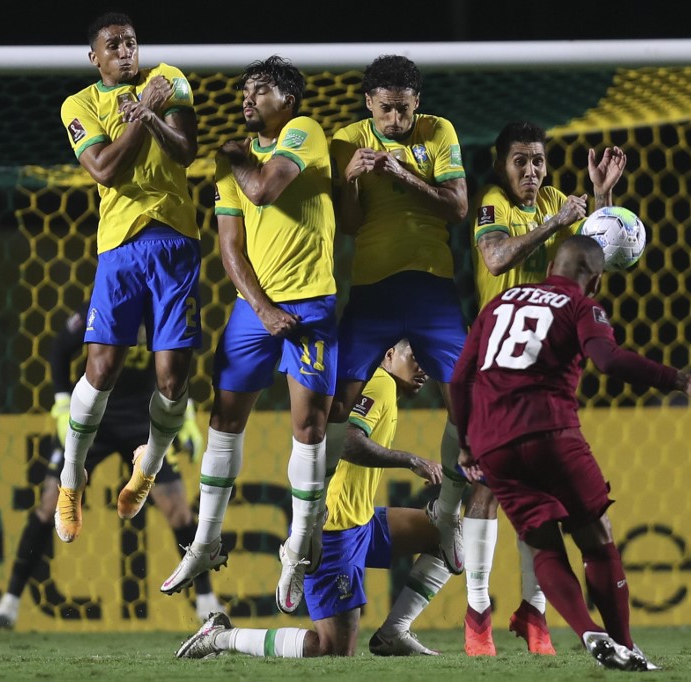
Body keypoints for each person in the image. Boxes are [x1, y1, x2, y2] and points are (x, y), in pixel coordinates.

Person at [450, 236, 691, 671]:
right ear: (594, 279)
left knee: (543, 545)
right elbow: (609, 360)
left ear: (551, 266)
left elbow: (460, 376)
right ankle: (626, 644)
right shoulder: (580, 305)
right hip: (550, 432)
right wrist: (680, 379)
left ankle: (587, 632)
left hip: (492, 443)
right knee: (596, 538)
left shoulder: (499, 303)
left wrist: (467, 442)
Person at [159, 56, 337, 615]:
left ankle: (296, 550)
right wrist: (260, 309)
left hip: (311, 304)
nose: (247, 98)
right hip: (254, 311)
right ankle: (206, 541)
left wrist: (237, 158)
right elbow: (229, 247)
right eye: (244, 90)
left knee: (308, 426)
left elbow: (263, 191)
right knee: (223, 418)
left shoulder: (303, 134)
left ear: (287, 99)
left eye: (259, 89)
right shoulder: (228, 159)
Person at [176, 340, 454, 659]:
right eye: (416, 357)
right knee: (332, 650)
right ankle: (221, 637)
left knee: (445, 533)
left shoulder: (381, 386)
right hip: (333, 528)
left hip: (361, 520)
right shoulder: (379, 385)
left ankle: (394, 632)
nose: (425, 369)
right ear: (389, 354)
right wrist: (412, 461)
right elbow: (348, 440)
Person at [462, 121, 627, 656]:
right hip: (497, 360)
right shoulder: (492, 202)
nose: (531, 171)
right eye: (520, 161)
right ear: (501, 163)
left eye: (538, 161)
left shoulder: (557, 198)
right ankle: (479, 611)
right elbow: (494, 258)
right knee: (485, 488)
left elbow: (595, 248)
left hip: (546, 363)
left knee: (546, 496)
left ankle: (534, 611)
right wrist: (556, 220)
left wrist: (602, 197)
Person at [0, 306, 222, 629]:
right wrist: (63, 401)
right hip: (95, 417)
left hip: (143, 420)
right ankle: (8, 603)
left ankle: (206, 601)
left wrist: (187, 413)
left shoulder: (164, 310)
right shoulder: (106, 304)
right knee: (50, 503)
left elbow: (179, 362)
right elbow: (58, 349)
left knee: (178, 507)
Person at [55, 12, 201, 546]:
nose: (125, 50)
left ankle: (148, 469)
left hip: (176, 243)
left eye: (131, 42)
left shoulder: (171, 79)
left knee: (172, 378)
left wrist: (152, 112)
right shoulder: (80, 104)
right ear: (94, 57)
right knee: (103, 366)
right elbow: (104, 169)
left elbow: (185, 152)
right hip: (119, 247)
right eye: (113, 44)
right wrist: (143, 115)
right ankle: (72, 478)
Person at [326, 55, 469, 580]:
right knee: (336, 406)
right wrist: (350, 181)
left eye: (404, 111)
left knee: (467, 407)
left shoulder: (438, 132)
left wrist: (401, 171)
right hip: (372, 289)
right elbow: (348, 225)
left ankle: (448, 514)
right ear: (368, 104)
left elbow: (456, 207)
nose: (395, 121)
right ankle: (306, 526)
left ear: (417, 105)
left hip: (431, 286)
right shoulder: (345, 138)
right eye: (385, 110)